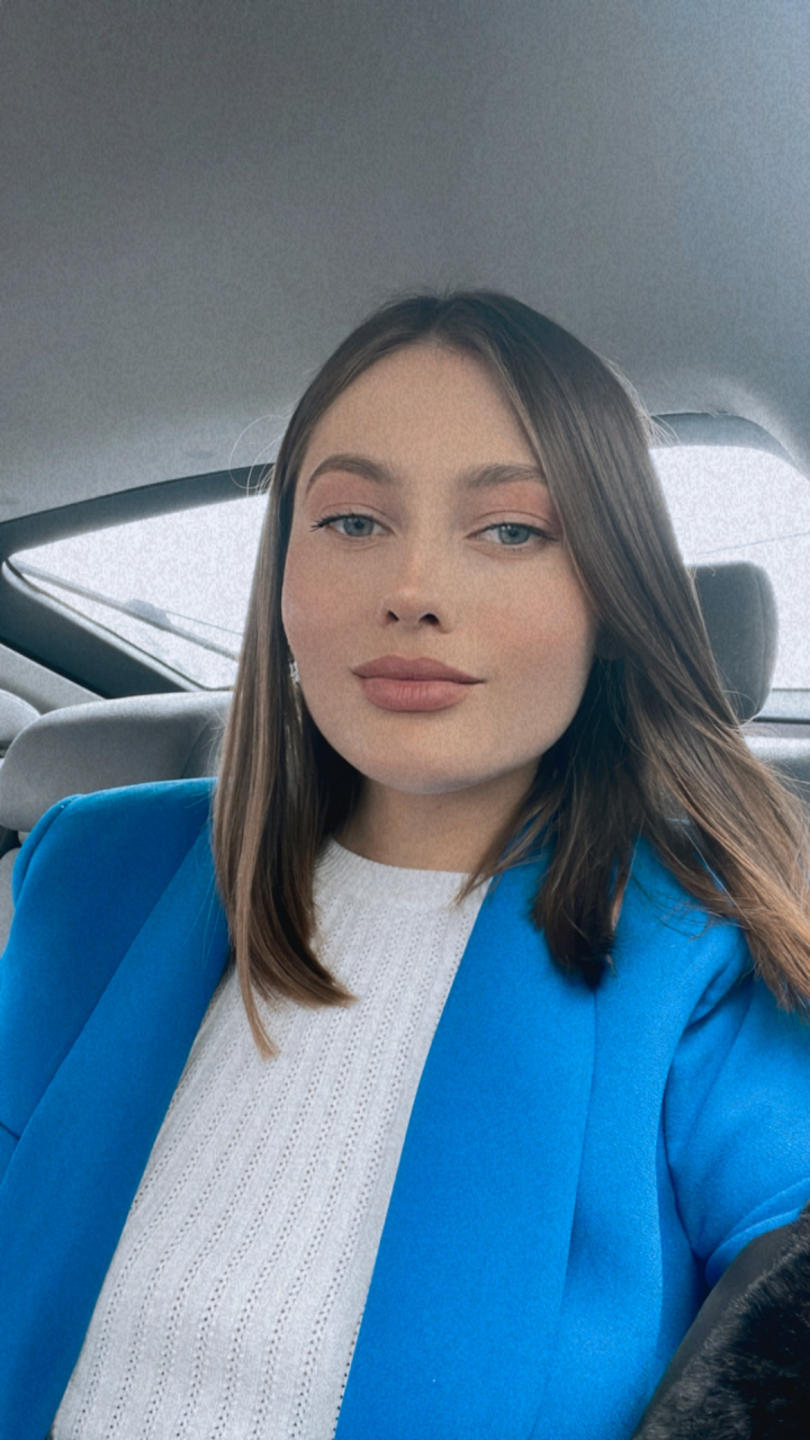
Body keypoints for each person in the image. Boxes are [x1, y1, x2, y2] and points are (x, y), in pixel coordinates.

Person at [1, 289, 809, 1440]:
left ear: (614, 596)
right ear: (282, 576)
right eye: (352, 521)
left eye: (512, 531)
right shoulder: (90, 873)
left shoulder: (712, 947)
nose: (414, 590)